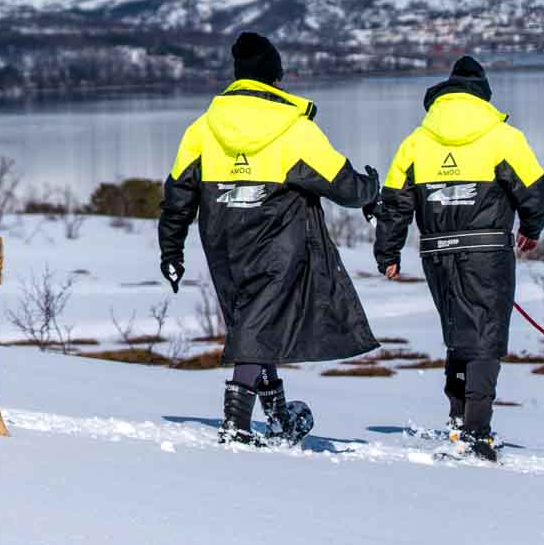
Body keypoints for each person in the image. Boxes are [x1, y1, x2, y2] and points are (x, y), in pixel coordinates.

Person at [159, 32, 381, 445]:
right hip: (278, 244)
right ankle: (236, 423)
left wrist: (171, 250)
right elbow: (345, 186)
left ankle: (278, 415)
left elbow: (177, 196)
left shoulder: (203, 128)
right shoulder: (294, 129)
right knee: (256, 327)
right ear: (274, 78)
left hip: (223, 245)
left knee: (254, 323)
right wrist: (373, 188)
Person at [372, 56, 544, 462]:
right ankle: (477, 431)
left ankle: (458, 419)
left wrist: (388, 253)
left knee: (458, 333)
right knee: (485, 337)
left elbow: (395, 202)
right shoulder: (503, 137)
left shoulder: (416, 141)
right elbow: (533, 190)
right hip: (487, 251)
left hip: (436, 253)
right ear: (483, 95)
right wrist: (532, 228)